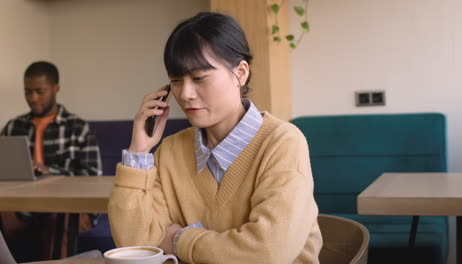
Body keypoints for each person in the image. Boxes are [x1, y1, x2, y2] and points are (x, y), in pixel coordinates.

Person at [108, 12, 322, 263]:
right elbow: (136, 245)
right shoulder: (170, 150)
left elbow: (266, 252)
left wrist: (178, 239)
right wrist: (139, 152)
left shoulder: (282, 143)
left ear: (241, 73)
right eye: (176, 80)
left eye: (199, 78)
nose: (185, 94)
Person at [0, 61, 103, 261]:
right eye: (28, 92)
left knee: (60, 217)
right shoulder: (13, 127)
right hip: (25, 207)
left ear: (56, 88)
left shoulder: (78, 127)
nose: (33, 98)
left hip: (70, 208)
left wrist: (49, 170)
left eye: (40, 91)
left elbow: (93, 176)